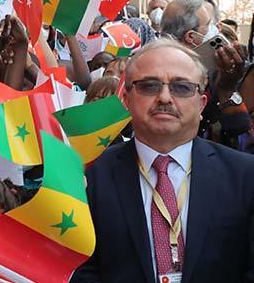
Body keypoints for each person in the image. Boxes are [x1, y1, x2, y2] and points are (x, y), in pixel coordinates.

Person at [71, 39, 254, 283]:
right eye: (149, 86)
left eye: (182, 87)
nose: (165, 97)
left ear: (201, 104)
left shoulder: (244, 175)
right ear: (126, 99)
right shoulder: (90, 175)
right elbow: (80, 268)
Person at [160, 0, 254, 151]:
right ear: (191, 36)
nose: (217, 29)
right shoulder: (165, 82)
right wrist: (227, 91)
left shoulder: (219, 73)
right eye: (210, 24)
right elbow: (244, 145)